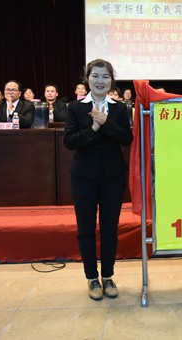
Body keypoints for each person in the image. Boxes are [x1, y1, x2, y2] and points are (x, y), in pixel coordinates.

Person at [63, 59, 133, 301]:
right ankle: (92, 278)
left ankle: (108, 276)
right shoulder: (75, 107)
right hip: (83, 177)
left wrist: (105, 123)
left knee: (110, 228)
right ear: (87, 79)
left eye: (105, 76)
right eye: (95, 76)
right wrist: (93, 128)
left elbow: (127, 138)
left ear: (111, 80)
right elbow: (69, 141)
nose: (100, 81)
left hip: (113, 177)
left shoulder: (120, 108)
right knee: (85, 229)